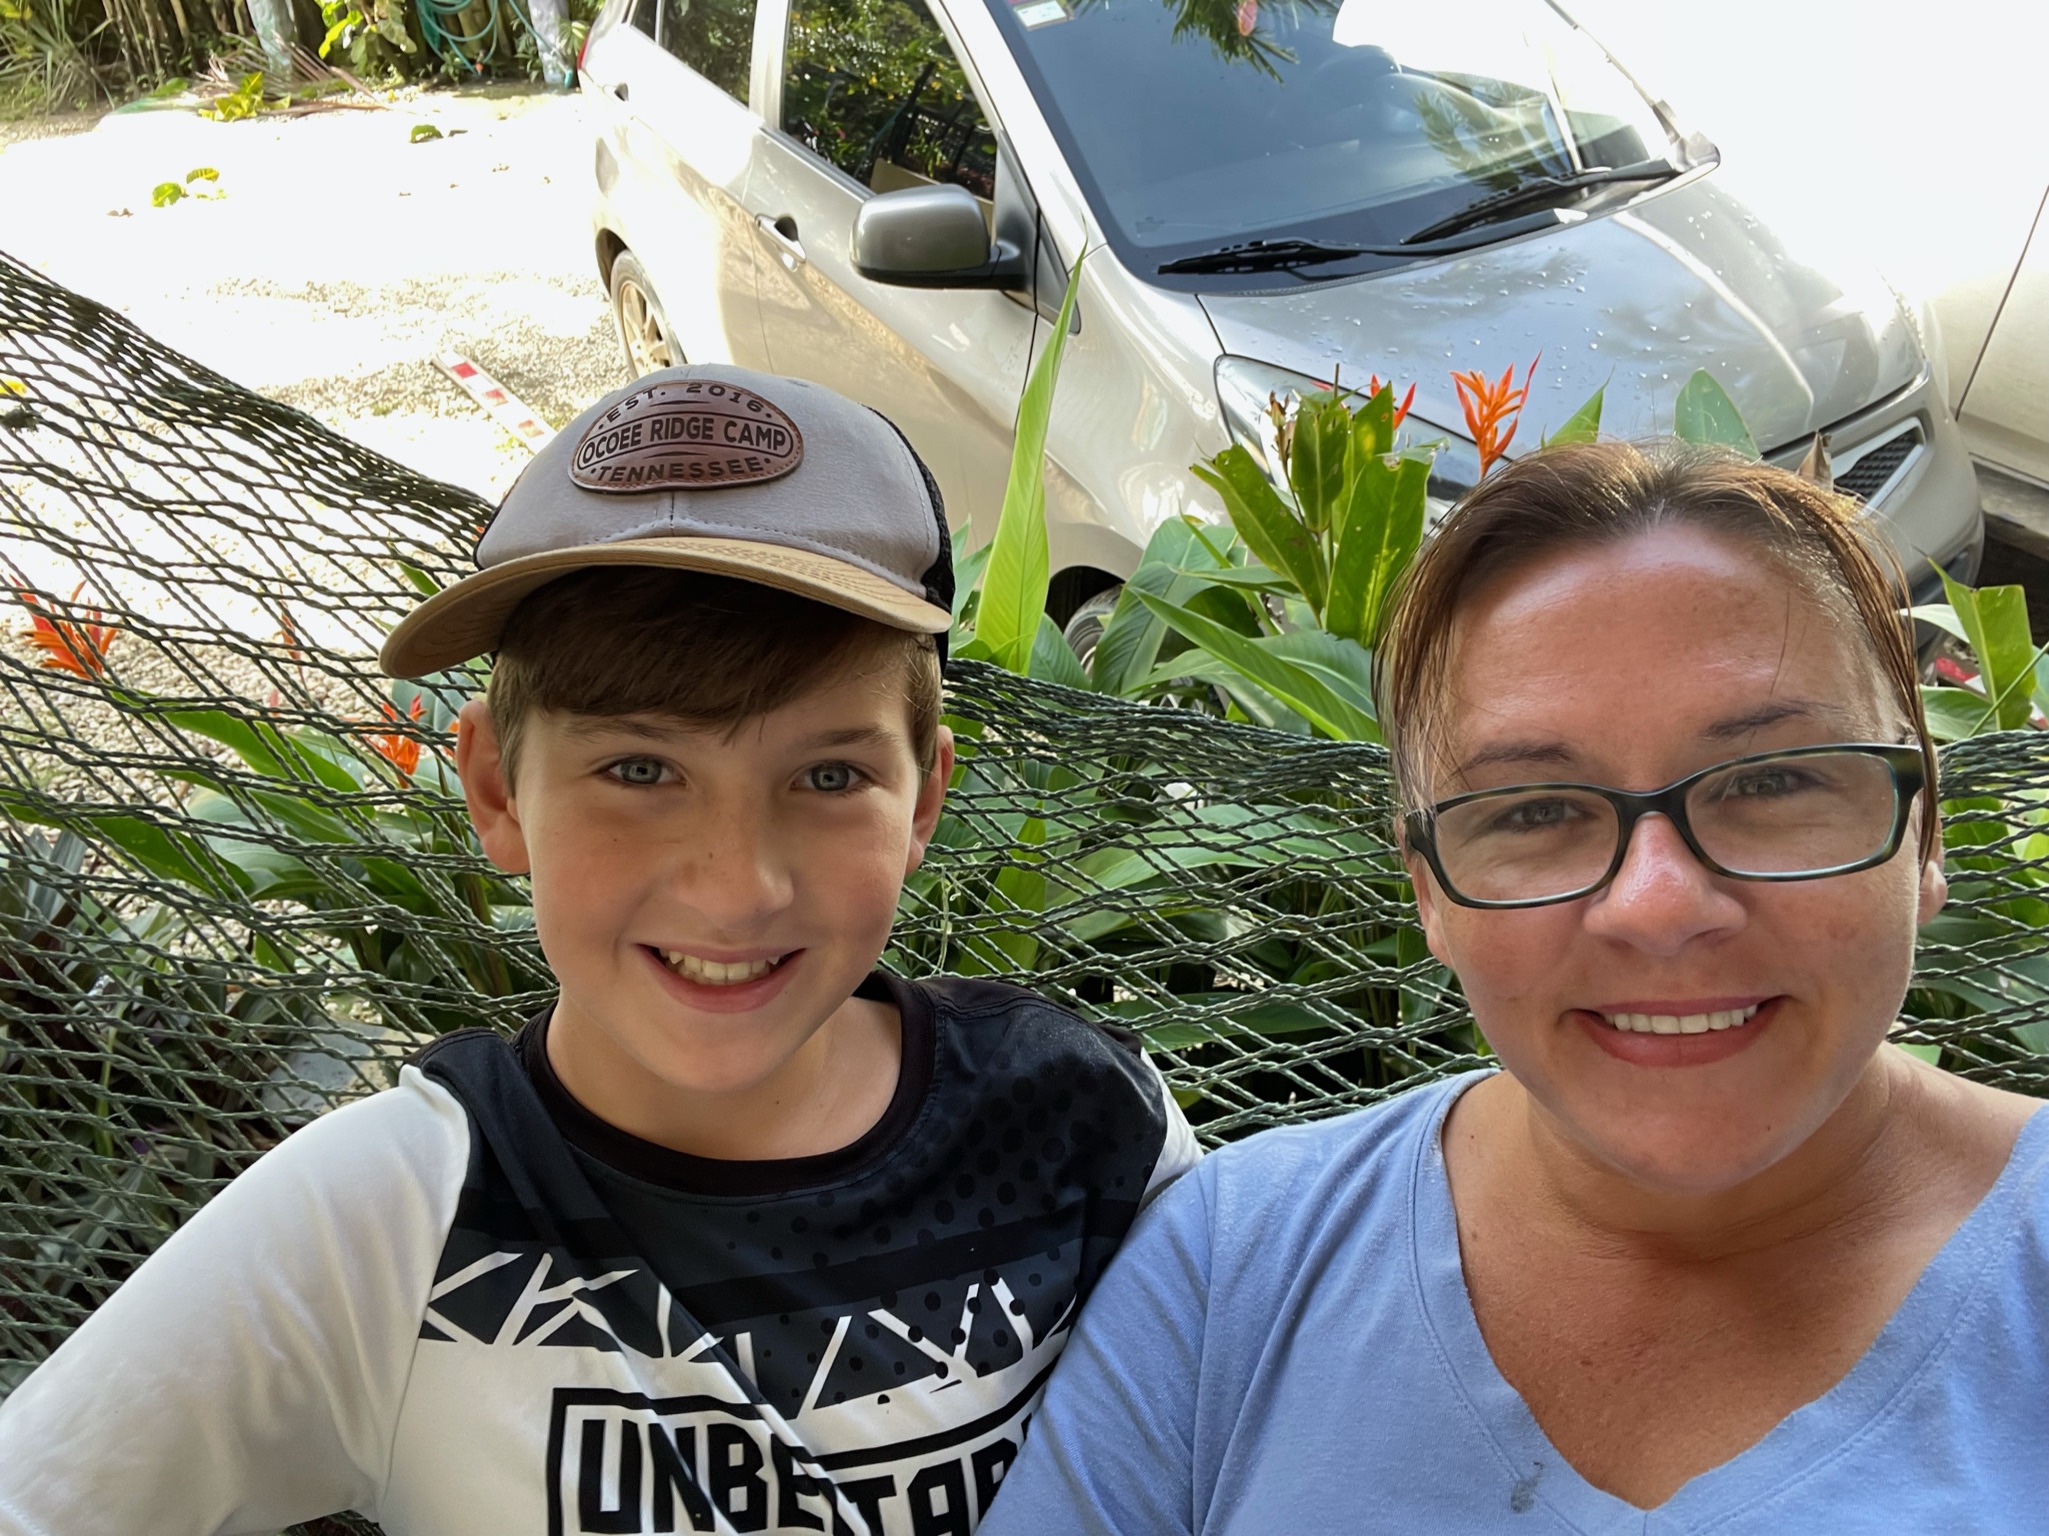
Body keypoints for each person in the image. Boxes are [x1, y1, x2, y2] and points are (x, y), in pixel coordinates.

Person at [0, 366, 1198, 1535]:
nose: (735, 886)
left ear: (923, 798)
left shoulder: (1086, 1123)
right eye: (639, 769)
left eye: (830, 776)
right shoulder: (394, 1221)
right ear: (496, 790)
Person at [976, 441, 2048, 1534]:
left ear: (1923, 829)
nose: (1658, 905)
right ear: (1428, 892)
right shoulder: (1230, 1274)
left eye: (1771, 782)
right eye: (1535, 810)